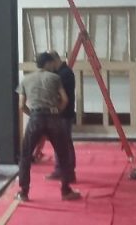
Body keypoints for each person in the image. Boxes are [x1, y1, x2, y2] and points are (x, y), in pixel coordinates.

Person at [16, 52, 81, 202]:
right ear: (47, 63)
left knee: (25, 155)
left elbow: (21, 105)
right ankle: (66, 191)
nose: (53, 66)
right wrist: (57, 111)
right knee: (63, 154)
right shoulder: (55, 78)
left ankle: (24, 192)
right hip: (53, 118)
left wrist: (32, 113)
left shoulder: (26, 79)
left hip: (35, 119)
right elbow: (65, 99)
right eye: (51, 63)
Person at [45, 50, 76, 184]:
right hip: (60, 113)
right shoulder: (60, 73)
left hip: (64, 113)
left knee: (65, 143)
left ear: (54, 60)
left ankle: (69, 172)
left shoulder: (65, 74)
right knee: (59, 143)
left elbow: (62, 97)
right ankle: (60, 169)